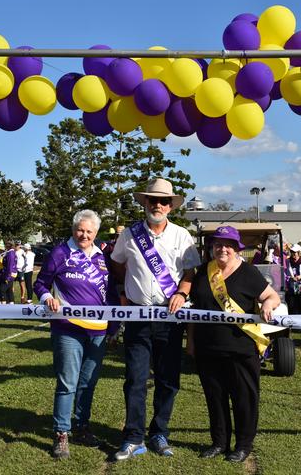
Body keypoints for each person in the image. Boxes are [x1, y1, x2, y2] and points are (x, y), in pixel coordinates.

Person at [110, 178, 201, 460]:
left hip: (168, 316)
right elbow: (117, 264)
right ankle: (133, 436)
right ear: (145, 203)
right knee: (135, 378)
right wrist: (125, 291)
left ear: (171, 206)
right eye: (153, 201)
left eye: (163, 201)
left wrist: (183, 294)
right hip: (138, 316)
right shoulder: (129, 235)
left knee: (168, 378)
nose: (158, 205)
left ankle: (159, 432)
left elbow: (190, 272)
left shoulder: (182, 236)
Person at [187, 226, 279, 463]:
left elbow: (272, 296)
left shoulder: (248, 273)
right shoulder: (202, 273)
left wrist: (268, 305)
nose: (223, 248)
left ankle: (243, 445)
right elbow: (195, 310)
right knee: (214, 398)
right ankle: (219, 442)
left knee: (244, 399)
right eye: (218, 244)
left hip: (241, 349)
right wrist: (191, 341)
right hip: (208, 348)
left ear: (237, 248)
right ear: (212, 247)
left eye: (228, 244)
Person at [33, 210, 119, 459]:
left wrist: (113, 327)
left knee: (88, 383)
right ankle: (62, 433)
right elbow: (40, 283)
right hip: (67, 328)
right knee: (68, 382)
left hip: (99, 331)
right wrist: (47, 297)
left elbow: (111, 293)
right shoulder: (60, 253)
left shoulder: (103, 256)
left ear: (95, 233)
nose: (84, 234)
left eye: (89, 231)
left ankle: (82, 427)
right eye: (80, 230)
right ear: (73, 229)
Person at [285, 243, 301, 314]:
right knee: (291, 305)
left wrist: (300, 277)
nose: (293, 254)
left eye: (295, 252)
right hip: (291, 287)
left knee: (300, 305)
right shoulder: (287, 261)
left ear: (299, 253)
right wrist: (291, 278)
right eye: (292, 252)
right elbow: (285, 273)